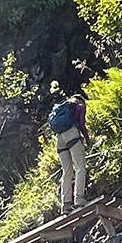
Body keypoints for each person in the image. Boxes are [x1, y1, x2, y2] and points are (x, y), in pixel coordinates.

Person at [48, 80, 89, 213]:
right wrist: (87, 140)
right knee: (80, 166)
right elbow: (82, 125)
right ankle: (79, 198)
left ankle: (65, 205)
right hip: (71, 135)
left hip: (59, 138)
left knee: (67, 171)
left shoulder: (62, 107)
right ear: (81, 100)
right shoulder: (79, 106)